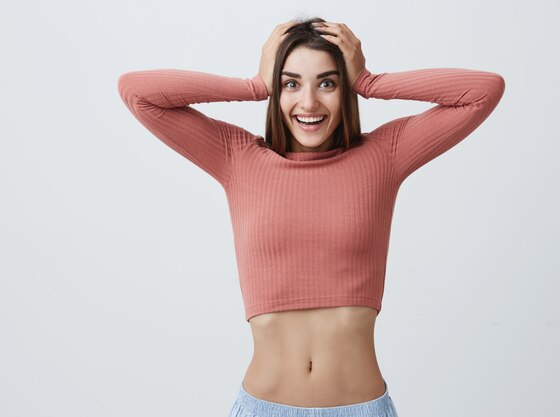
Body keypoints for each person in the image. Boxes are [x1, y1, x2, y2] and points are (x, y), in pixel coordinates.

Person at [118, 17, 505, 417]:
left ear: (345, 89)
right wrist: (252, 86)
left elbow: (483, 91)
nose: (308, 103)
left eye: (327, 83)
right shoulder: (238, 157)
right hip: (263, 407)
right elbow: (137, 92)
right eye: (290, 84)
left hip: (360, 408)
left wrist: (370, 81)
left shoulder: (383, 156)